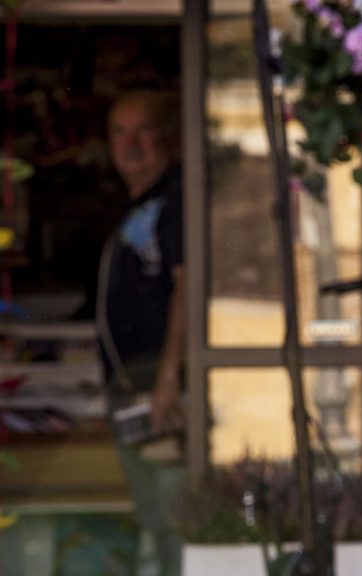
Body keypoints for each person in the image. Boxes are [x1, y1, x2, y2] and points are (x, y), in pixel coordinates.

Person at [96, 90, 185, 576]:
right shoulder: (140, 205)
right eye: (119, 132)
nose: (130, 143)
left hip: (162, 396)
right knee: (153, 518)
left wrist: (169, 376)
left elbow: (186, 286)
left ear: (167, 135)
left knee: (173, 518)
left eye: (143, 129)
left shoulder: (175, 200)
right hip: (136, 393)